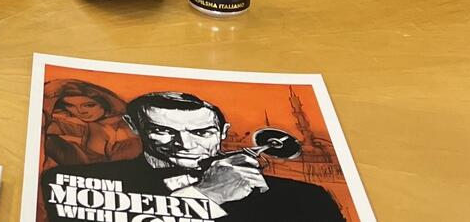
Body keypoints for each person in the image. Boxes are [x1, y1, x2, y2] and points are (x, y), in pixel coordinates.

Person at [40, 92, 346, 221]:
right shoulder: (72, 183)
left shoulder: (305, 198)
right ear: (134, 127)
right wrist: (205, 196)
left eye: (202, 132)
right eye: (163, 131)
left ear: (223, 132)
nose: (184, 144)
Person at [44, 79, 141, 166]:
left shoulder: (123, 132)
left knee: (50, 141)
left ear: (106, 103)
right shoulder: (96, 121)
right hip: (87, 165)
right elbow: (73, 128)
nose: (80, 111)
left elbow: (121, 169)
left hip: (99, 172)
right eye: (70, 106)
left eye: (89, 105)